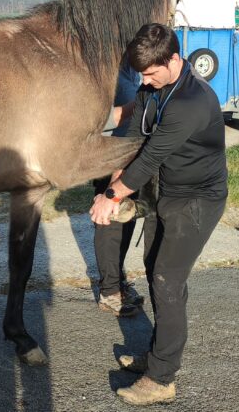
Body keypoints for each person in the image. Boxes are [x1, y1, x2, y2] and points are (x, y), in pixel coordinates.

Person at [90, 22, 227, 406]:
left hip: (197, 201)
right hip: (166, 195)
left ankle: (161, 378)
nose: (145, 81)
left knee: (167, 281)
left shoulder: (191, 101)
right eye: (142, 75)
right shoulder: (152, 89)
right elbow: (134, 141)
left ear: (174, 59)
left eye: (151, 73)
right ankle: (157, 355)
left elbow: (150, 158)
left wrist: (112, 196)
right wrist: (111, 190)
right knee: (155, 273)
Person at [93, 62, 146, 317]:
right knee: (110, 223)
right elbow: (93, 121)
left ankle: (118, 280)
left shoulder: (132, 69)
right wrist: (139, 106)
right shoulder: (105, 67)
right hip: (110, 156)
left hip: (133, 155)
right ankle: (109, 292)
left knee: (126, 219)